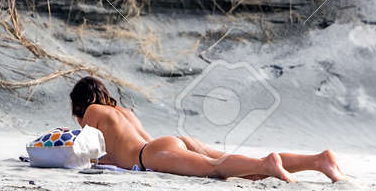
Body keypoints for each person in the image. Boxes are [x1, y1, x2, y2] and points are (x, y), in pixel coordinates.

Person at [70, 75, 345, 183]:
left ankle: (269, 162)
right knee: (244, 171)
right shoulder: (122, 112)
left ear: (83, 104)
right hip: (168, 144)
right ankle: (319, 160)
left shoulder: (94, 111)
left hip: (152, 155)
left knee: (217, 168)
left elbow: (86, 154)